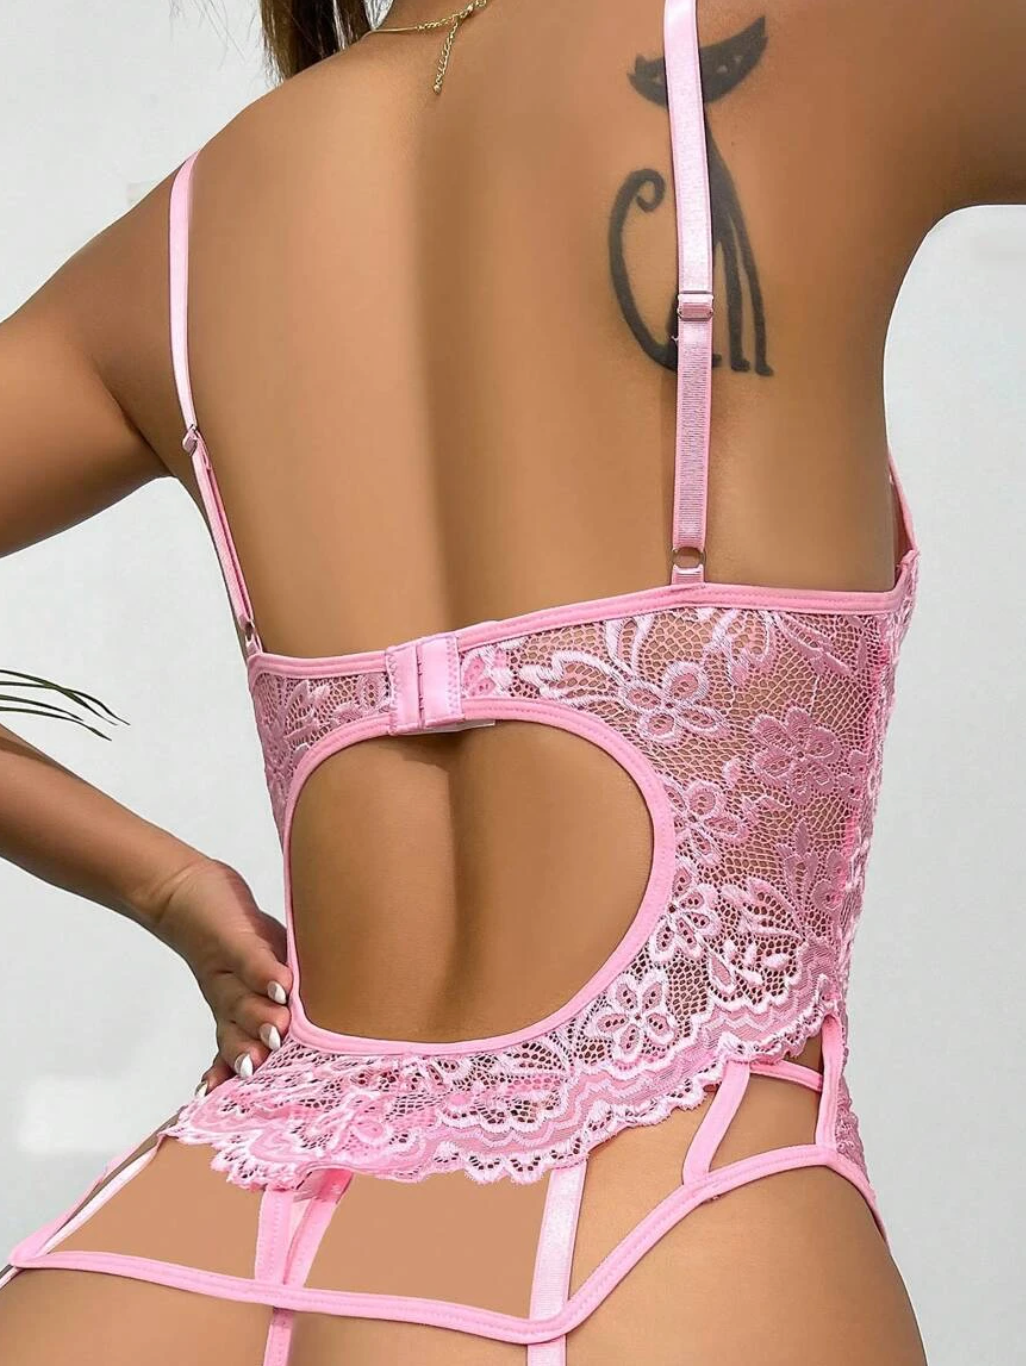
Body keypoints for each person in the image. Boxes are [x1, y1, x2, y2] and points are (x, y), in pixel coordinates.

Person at [0, 1, 1021, 1362]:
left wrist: (165, 884)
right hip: (658, 1234)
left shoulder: (188, 236)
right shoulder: (808, 37)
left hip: (185, 1258)